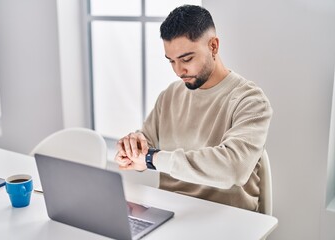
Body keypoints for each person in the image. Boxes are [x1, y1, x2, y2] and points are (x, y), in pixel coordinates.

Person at [115, 5, 273, 212]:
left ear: (214, 46)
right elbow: (146, 144)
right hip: (172, 212)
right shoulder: (170, 95)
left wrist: (152, 159)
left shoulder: (250, 101)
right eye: (171, 61)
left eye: (187, 59)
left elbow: (233, 168)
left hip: (228, 219)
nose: (179, 71)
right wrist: (132, 149)